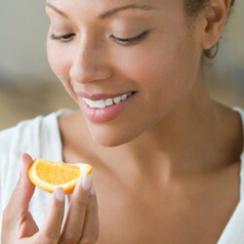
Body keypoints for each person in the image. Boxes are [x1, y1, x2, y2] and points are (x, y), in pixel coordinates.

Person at [0, 0, 243, 243]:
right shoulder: (6, 170)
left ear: (210, 20)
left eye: (124, 35)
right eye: (63, 33)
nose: (81, 71)